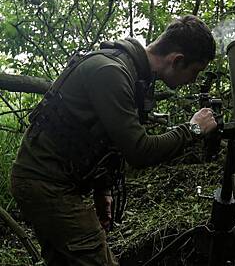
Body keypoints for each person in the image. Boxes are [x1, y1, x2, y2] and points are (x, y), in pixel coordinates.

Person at [10, 15, 217, 265]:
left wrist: (103, 189)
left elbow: (102, 138)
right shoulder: (111, 72)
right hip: (46, 186)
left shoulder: (134, 75)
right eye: (195, 72)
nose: (193, 81)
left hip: (52, 182)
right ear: (177, 60)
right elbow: (139, 151)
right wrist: (192, 130)